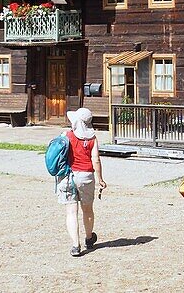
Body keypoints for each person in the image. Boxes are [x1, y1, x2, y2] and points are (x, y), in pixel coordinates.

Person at [58, 107, 107, 256]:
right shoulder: (92, 139)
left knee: (71, 213)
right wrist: (100, 179)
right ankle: (89, 238)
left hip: (67, 177)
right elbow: (96, 160)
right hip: (86, 177)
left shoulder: (66, 135)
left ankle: (75, 245)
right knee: (87, 210)